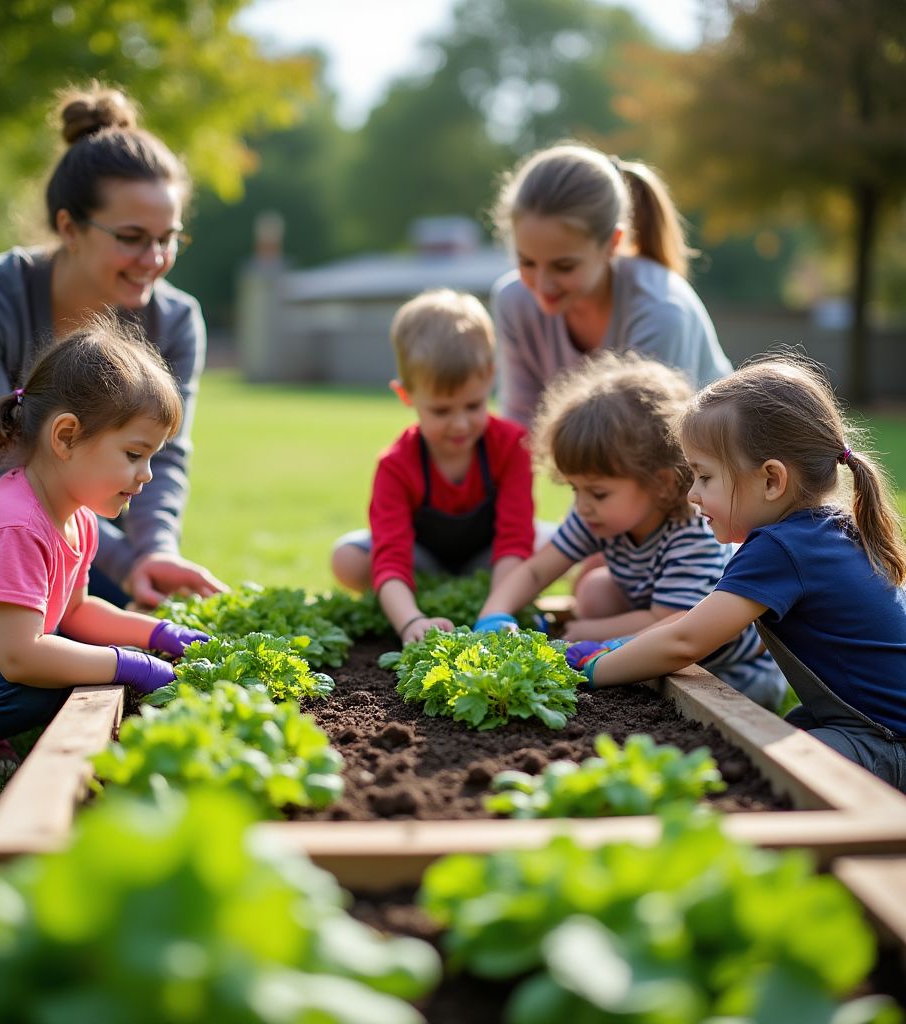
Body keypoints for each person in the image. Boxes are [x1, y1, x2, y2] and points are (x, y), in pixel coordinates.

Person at [0, 81, 223, 608]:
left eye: (168, 237)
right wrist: (124, 564)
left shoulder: (175, 319)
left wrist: (154, 551)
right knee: (46, 604)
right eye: (132, 237)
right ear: (70, 227)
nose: (154, 258)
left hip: (72, 514)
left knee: (134, 602)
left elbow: (166, 453)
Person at [0, 318, 210, 803]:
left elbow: (75, 613)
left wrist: (157, 635)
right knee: (37, 683)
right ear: (65, 437)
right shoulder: (15, 525)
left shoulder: (77, 518)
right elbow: (19, 657)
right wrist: (126, 665)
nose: (145, 476)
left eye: (152, 459)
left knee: (54, 664)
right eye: (134, 454)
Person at [565, 355, 906, 790]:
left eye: (705, 477)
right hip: (867, 725)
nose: (692, 495)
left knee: (754, 775)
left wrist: (591, 668)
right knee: (759, 746)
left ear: (771, 481)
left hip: (886, 741)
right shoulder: (825, 530)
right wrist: (615, 647)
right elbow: (687, 628)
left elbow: (686, 640)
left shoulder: (782, 547)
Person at [475, 352, 786, 710]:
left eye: (598, 492)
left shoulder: (692, 531)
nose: (582, 505)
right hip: (661, 630)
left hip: (733, 670)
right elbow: (536, 569)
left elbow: (671, 622)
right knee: (593, 591)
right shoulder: (597, 516)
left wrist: (585, 635)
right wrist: (494, 613)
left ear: (661, 484)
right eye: (575, 489)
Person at [331, 288, 536, 644]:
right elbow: (391, 555)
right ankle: (418, 595)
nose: (460, 425)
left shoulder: (512, 446)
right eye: (441, 411)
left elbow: (514, 540)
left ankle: (485, 593)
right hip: (422, 558)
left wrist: (495, 612)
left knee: (553, 550)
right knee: (347, 558)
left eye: (473, 406)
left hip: (489, 560)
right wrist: (411, 621)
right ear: (406, 395)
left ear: (490, 377)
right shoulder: (396, 465)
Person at [490, 140, 733, 430]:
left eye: (564, 266)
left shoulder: (661, 310)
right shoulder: (513, 301)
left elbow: (648, 446)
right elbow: (521, 422)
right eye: (527, 262)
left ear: (612, 244)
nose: (542, 285)